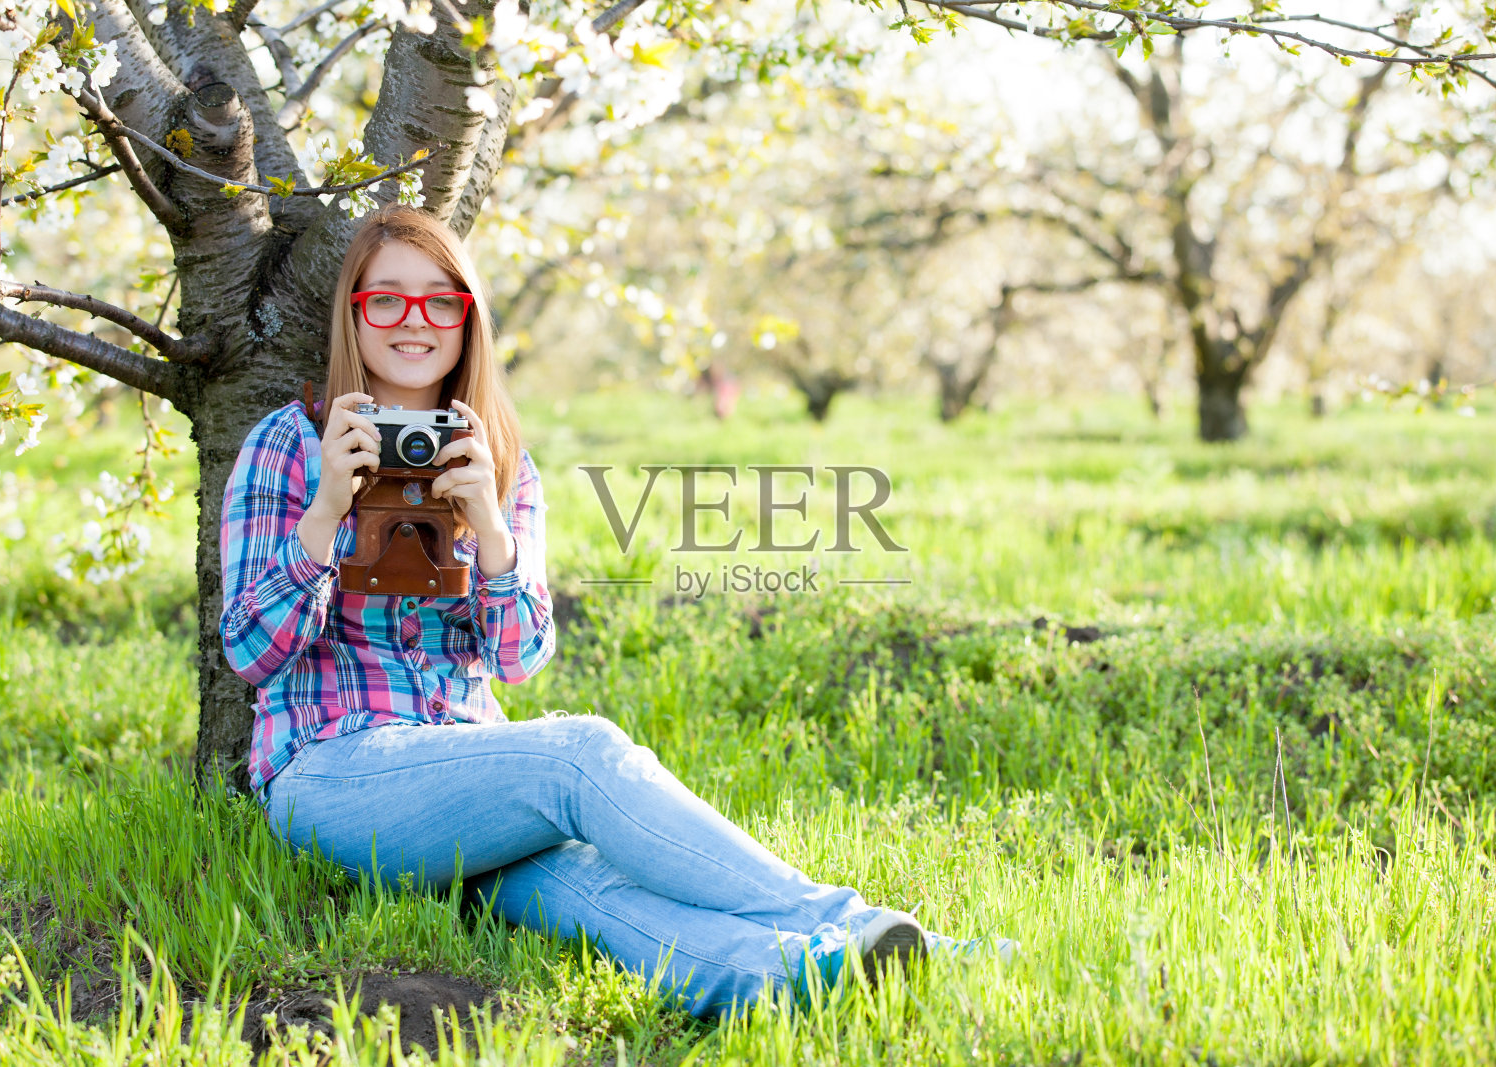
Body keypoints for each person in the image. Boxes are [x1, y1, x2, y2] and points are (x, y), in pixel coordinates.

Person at [221, 205, 1004, 1021]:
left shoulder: (497, 459)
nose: (413, 321)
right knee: (580, 754)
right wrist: (324, 514)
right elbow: (249, 652)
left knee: (584, 882)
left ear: (468, 318)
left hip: (468, 770)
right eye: (386, 299)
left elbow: (520, 657)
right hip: (332, 774)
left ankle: (812, 972)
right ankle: (842, 918)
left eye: (439, 300)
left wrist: (489, 526)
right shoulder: (290, 443)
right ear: (354, 313)